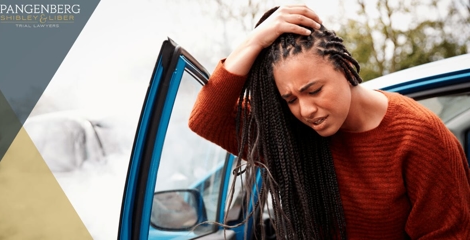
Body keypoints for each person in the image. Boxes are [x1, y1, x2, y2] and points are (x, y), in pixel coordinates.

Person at [189, 5, 470, 240]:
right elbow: (206, 119)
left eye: (314, 90)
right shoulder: (292, 135)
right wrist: (254, 41)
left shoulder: (420, 136)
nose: (306, 110)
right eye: (291, 99)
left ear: (346, 68)